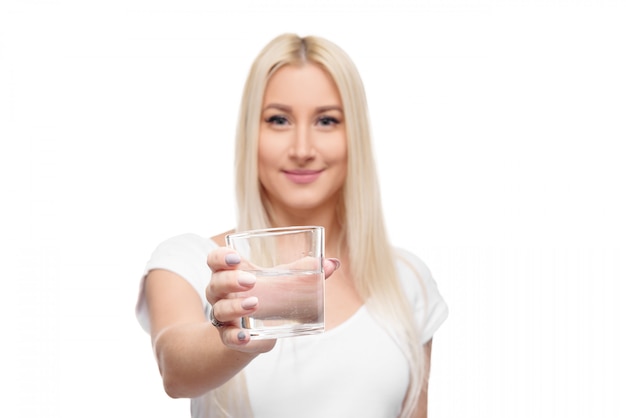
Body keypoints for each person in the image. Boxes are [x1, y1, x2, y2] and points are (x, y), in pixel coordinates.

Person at [136, 33, 448, 418]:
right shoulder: (192, 260)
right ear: (252, 132)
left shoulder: (407, 280)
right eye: (279, 120)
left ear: (356, 136)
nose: (302, 149)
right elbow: (176, 371)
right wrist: (235, 338)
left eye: (327, 120)